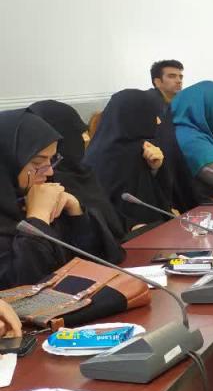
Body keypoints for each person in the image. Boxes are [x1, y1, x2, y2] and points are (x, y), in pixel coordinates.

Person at [0, 110, 123, 289]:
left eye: (51, 159)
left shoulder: (34, 194)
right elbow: (21, 287)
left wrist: (77, 213)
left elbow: (100, 261)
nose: (50, 171)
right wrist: (38, 218)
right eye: (37, 162)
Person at [27, 100, 127, 241]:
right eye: (76, 133)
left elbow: (109, 214)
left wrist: (130, 226)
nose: (85, 138)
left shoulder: (82, 171)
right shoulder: (48, 183)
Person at [84, 89, 174, 232]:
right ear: (135, 117)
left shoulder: (139, 147)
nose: (158, 121)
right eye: (152, 115)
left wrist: (156, 167)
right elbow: (101, 207)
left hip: (142, 232)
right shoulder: (119, 154)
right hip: (130, 235)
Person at [147, 59, 199, 210]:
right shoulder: (150, 105)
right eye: (172, 76)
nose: (178, 80)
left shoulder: (176, 104)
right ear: (157, 82)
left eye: (180, 77)